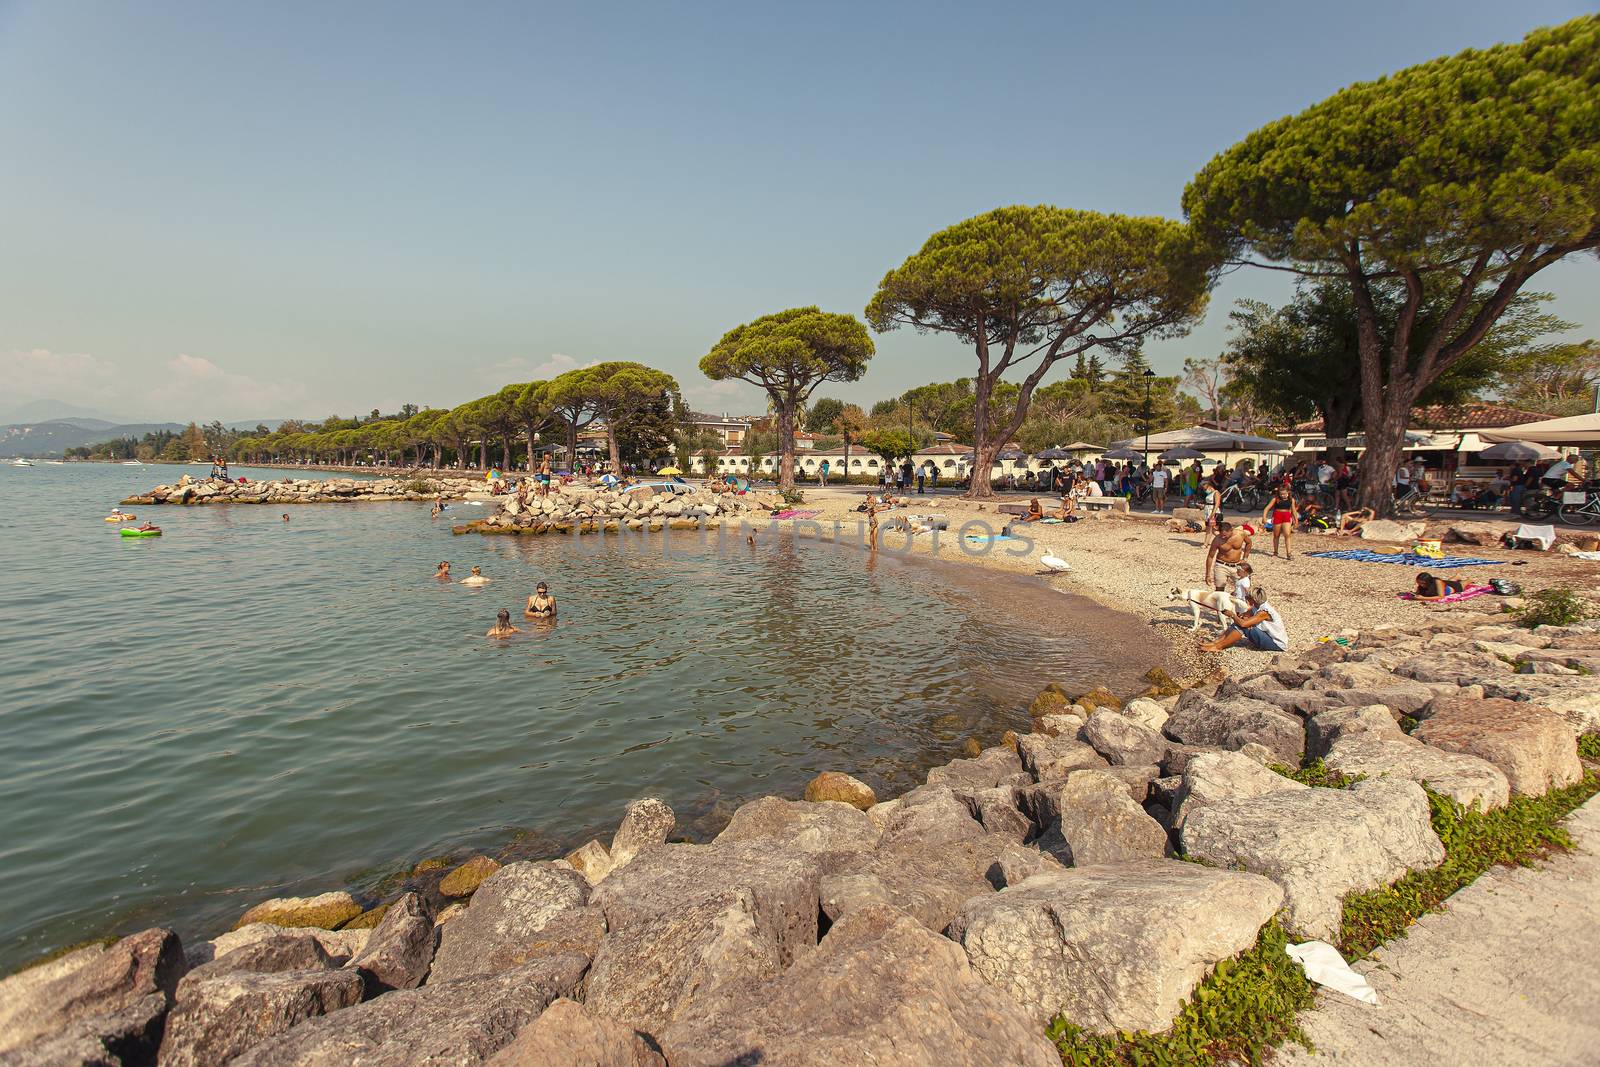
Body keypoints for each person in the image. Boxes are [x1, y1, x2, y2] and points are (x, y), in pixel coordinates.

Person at [1200, 583, 1288, 653]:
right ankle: (1216, 643)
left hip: (1276, 643)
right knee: (1238, 622)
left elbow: (1243, 623)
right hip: (1267, 636)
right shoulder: (1257, 607)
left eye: (1247, 597)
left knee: (1243, 626)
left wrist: (1232, 615)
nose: (1245, 598)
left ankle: (1218, 647)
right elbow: (1243, 616)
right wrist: (1237, 615)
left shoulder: (1264, 611)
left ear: (1253, 599)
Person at [1204, 519, 1252, 593]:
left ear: (1231, 530)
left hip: (1237, 565)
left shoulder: (1241, 534)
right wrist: (1207, 574)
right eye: (1221, 535)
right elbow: (1210, 556)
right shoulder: (1217, 540)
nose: (1223, 537)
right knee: (1219, 590)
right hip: (1221, 565)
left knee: (1243, 589)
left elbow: (1249, 543)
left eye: (1225, 535)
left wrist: (1245, 558)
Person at [1261, 484, 1296, 559]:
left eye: (1284, 494)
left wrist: (1296, 520)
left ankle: (1289, 553)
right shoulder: (1275, 499)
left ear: (1288, 492)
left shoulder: (1291, 500)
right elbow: (1266, 508)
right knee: (1276, 535)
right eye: (1281, 494)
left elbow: (1294, 510)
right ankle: (1275, 552)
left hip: (1286, 516)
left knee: (1287, 534)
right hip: (1277, 516)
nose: (1283, 495)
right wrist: (1264, 517)